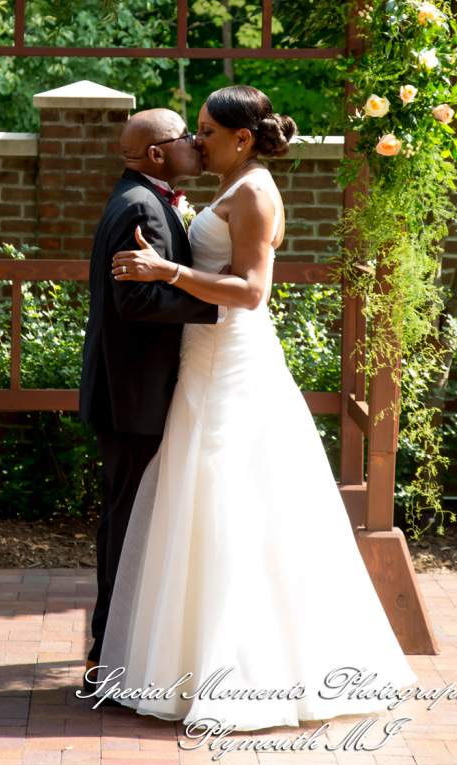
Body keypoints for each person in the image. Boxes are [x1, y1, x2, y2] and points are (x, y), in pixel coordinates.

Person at [88, 85, 416, 730]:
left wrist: (167, 272)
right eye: (194, 131)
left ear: (242, 138)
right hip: (201, 359)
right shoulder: (230, 186)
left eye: (206, 130)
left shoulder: (257, 193)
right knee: (196, 499)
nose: (196, 140)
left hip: (231, 357)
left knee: (230, 497)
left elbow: (252, 291)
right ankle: (179, 660)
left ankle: (241, 670)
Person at [79, 108, 219, 674]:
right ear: (157, 153)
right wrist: (220, 303)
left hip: (129, 392)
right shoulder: (141, 204)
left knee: (130, 522)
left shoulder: (144, 196)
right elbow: (133, 302)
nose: (196, 143)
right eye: (188, 136)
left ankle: (121, 653)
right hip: (134, 398)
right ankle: (107, 660)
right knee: (127, 527)